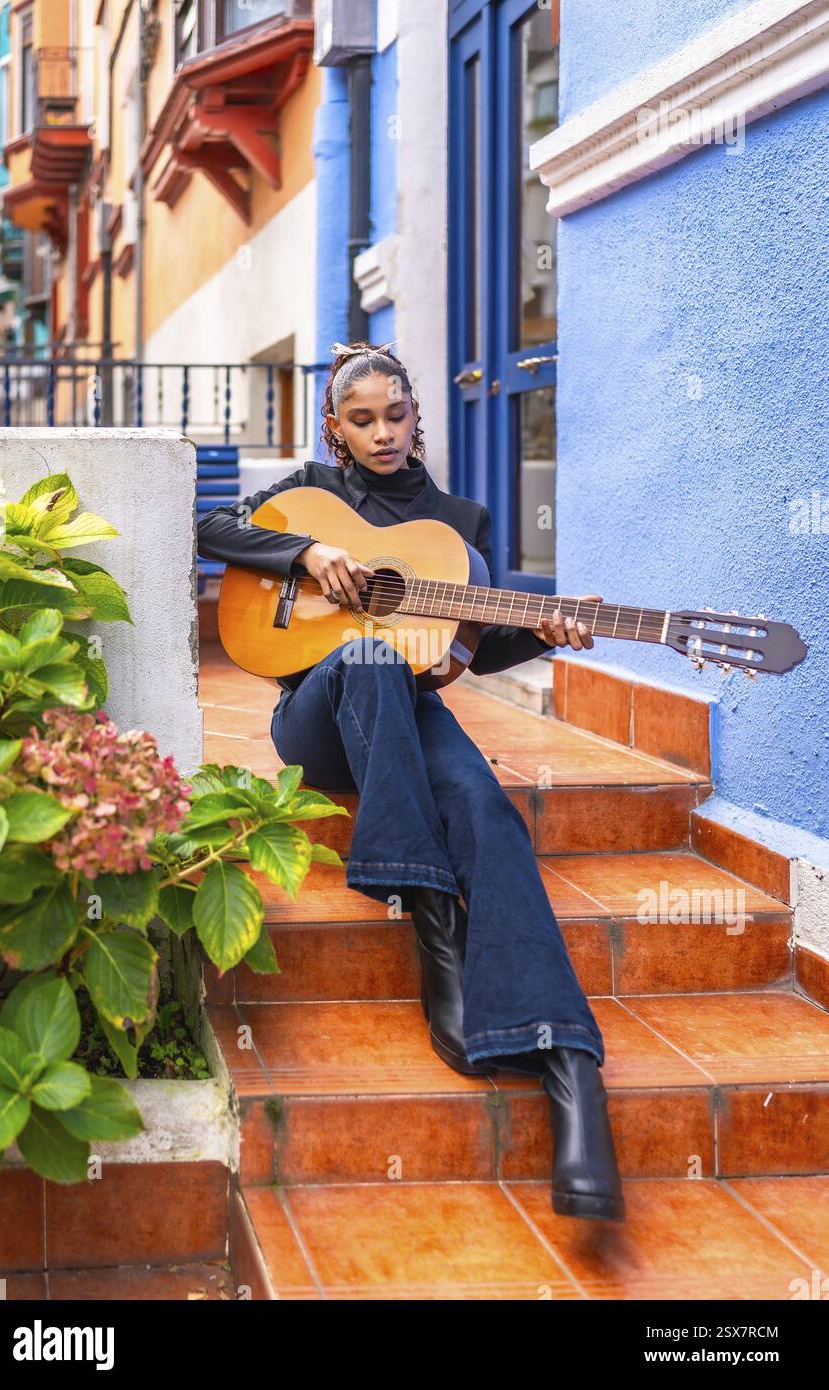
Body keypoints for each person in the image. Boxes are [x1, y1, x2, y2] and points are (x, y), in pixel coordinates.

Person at [197, 341, 625, 1222]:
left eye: (396, 415)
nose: (383, 433)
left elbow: (472, 644)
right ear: (335, 426)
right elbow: (207, 530)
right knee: (364, 651)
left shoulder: (450, 523)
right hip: (316, 715)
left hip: (409, 710)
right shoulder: (306, 493)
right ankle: (435, 926)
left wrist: (544, 632)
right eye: (363, 420)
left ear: (416, 415)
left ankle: (571, 1076)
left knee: (485, 810)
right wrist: (307, 553)